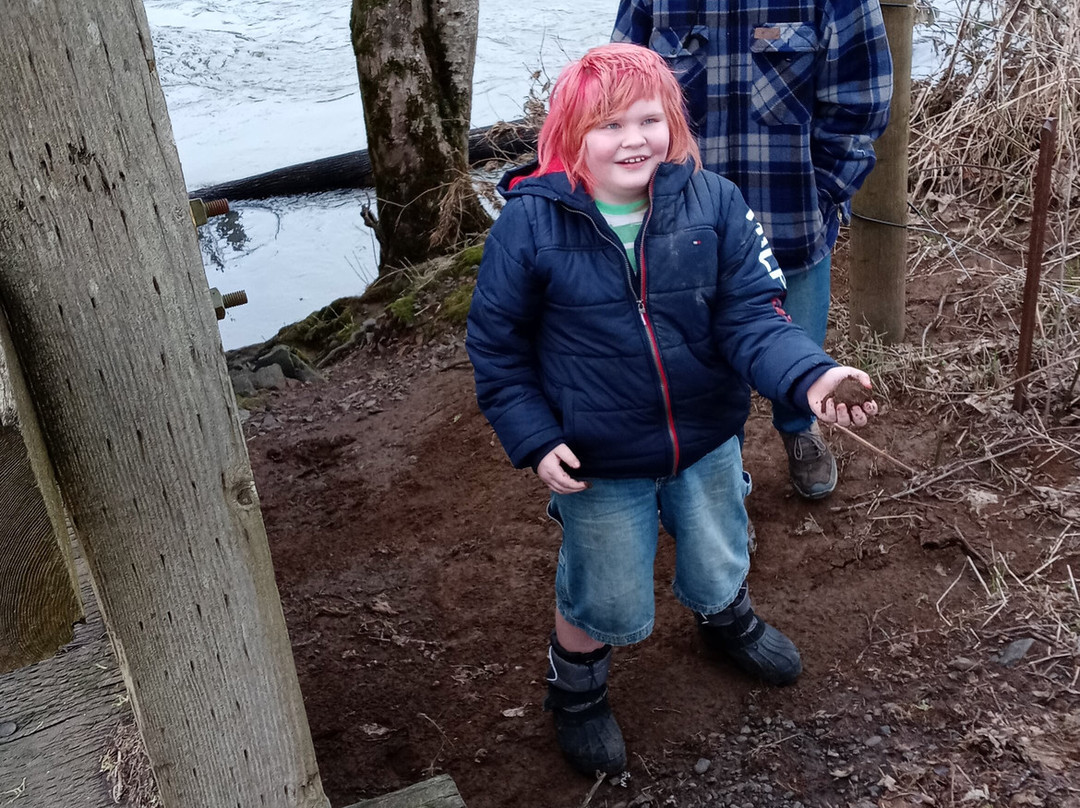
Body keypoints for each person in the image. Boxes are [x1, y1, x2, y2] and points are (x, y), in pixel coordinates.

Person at [465, 43, 879, 777]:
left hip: (706, 437)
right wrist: (532, 437)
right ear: (569, 137)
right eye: (608, 124)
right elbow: (498, 349)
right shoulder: (529, 226)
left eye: (649, 119)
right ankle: (578, 687)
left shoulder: (714, 203)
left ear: (674, 123)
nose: (632, 139)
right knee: (607, 588)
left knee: (720, 544)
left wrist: (811, 376)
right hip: (599, 458)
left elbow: (754, 317)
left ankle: (727, 618)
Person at [612, 0, 893, 500]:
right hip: (684, 230)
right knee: (699, 359)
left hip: (790, 219)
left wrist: (822, 192)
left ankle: (799, 425)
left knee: (798, 344)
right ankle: (724, 470)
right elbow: (618, 89)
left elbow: (861, 101)